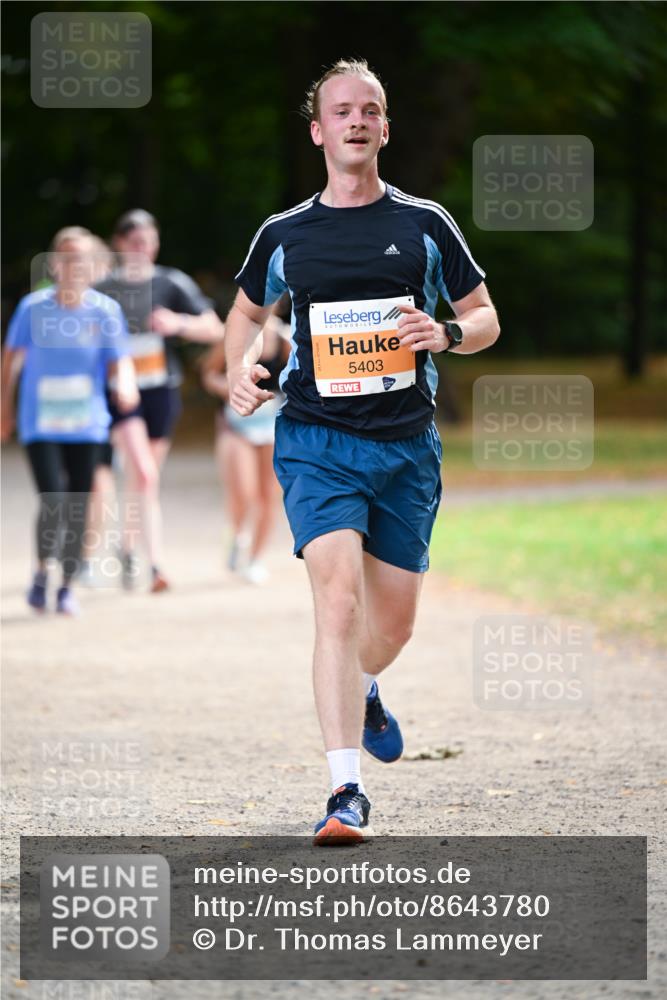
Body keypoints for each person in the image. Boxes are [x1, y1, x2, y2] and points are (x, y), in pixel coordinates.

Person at [225, 59, 500, 844]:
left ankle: (367, 685)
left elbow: (484, 317)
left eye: (369, 110)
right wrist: (239, 371)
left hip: (406, 447)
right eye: (341, 110)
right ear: (318, 130)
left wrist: (445, 331)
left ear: (384, 128)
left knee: (393, 626)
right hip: (316, 440)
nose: (355, 121)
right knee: (336, 602)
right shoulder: (283, 234)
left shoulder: (425, 224)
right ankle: (345, 792)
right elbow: (245, 316)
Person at [0, 226, 139, 615]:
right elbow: (10, 359)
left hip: (87, 422)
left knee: (78, 503)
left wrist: (126, 385)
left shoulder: (105, 311)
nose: (73, 264)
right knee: (53, 501)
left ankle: (66, 585)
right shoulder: (32, 308)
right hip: (39, 421)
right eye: (66, 256)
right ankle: (42, 571)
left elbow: (120, 361)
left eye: (81, 257)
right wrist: (4, 407)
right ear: (55, 263)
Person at [95, 209, 224, 592]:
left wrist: (178, 324)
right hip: (120, 393)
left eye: (149, 243)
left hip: (160, 390)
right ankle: (155, 564)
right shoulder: (103, 290)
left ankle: (127, 547)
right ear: (119, 244)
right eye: (135, 243)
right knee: (145, 474)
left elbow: (214, 327)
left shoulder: (171, 282)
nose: (143, 250)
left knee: (143, 477)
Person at [201, 304, 290, 584]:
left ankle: (255, 559)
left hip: (271, 426)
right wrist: (231, 390)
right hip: (237, 425)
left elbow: (298, 379)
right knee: (244, 491)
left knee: (268, 495)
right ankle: (238, 534)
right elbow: (209, 373)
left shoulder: (285, 340)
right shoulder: (233, 335)